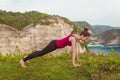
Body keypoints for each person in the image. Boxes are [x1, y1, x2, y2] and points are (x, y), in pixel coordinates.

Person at [20, 28, 90, 68]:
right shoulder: (74, 39)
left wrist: (78, 59)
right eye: (86, 38)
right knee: (41, 53)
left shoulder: (77, 37)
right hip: (53, 45)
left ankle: (27, 57)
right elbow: (74, 51)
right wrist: (74, 63)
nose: (86, 40)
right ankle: (23, 60)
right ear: (82, 36)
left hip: (55, 44)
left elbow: (76, 49)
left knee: (40, 52)